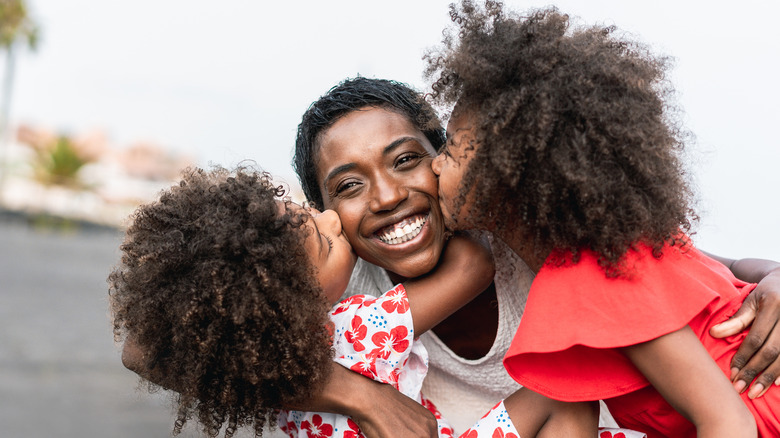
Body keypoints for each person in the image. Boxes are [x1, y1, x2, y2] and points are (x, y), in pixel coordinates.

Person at [289, 75, 780, 435]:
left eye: (408, 159)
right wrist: (360, 395)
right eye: (349, 186)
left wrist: (776, 275)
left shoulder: (549, 241)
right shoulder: (345, 293)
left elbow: (698, 269)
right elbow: (235, 350)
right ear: (324, 214)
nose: (387, 197)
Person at [426, 3, 780, 437]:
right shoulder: (611, 251)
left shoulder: (593, 276)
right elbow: (735, 268)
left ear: (511, 174)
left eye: (451, 148)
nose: (436, 167)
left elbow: (729, 424)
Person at [110, 166, 623, 438]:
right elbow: (472, 266)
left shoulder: (252, 360)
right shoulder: (356, 330)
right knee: (563, 391)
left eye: (311, 212)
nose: (334, 218)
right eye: (326, 242)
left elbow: (140, 349)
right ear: (296, 301)